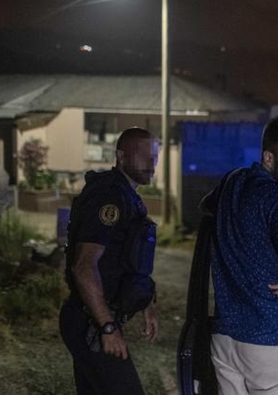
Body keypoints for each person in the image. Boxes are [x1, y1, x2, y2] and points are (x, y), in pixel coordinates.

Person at [200, 116, 278, 395]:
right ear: (269, 158)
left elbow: (205, 205)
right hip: (272, 340)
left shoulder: (233, 181)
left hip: (227, 340)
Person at [59, 127, 160, 395]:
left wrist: (145, 303)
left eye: (155, 157)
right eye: (144, 156)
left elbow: (129, 259)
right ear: (121, 155)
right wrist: (107, 327)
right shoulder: (109, 197)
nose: (151, 164)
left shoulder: (128, 196)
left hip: (95, 320)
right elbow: (83, 266)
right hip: (90, 323)